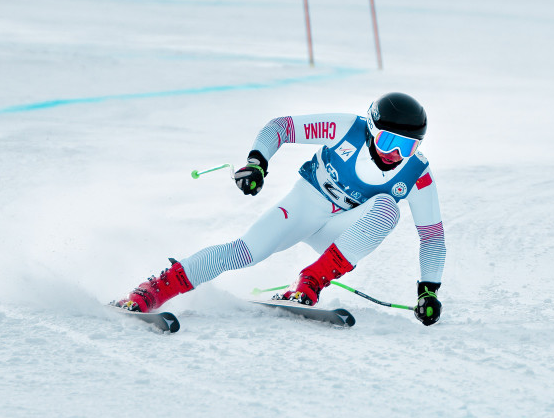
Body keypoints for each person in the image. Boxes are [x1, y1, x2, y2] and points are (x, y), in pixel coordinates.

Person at [114, 92, 445, 326]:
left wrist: (428, 291)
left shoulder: (417, 173)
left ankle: (310, 283)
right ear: (372, 130)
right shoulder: (347, 128)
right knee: (244, 252)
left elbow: (432, 237)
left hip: (341, 231)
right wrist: (257, 164)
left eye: (407, 146)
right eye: (389, 142)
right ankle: (155, 289)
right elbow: (280, 126)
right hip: (305, 206)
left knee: (388, 207)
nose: (395, 154)